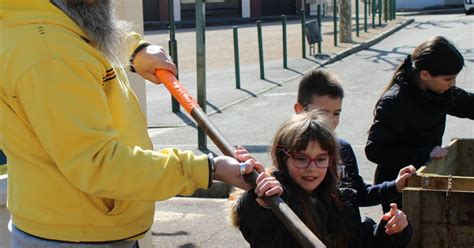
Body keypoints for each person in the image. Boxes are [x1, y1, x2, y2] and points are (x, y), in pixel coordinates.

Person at [0, 1, 264, 246]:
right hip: (77, 235)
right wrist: (208, 168)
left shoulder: (38, 18)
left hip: (69, 224)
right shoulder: (52, 56)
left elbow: (88, 30)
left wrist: (136, 50)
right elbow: (99, 164)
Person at [236, 69, 415, 212]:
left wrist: (395, 186)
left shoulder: (343, 150)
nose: (330, 120)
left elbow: (360, 195)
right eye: (322, 113)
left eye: (336, 113)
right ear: (299, 109)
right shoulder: (288, 153)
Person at [231, 112, 412, 247]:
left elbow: (361, 243)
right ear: (282, 157)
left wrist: (390, 230)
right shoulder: (273, 200)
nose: (311, 168)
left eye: (320, 159)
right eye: (301, 158)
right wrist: (261, 204)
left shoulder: (340, 200)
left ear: (331, 160)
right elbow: (259, 230)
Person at [365, 36, 474, 212]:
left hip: (426, 180)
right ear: (425, 75)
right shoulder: (394, 102)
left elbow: (469, 104)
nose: (452, 84)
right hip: (399, 189)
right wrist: (425, 153)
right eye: (448, 79)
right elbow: (376, 150)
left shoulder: (440, 93)